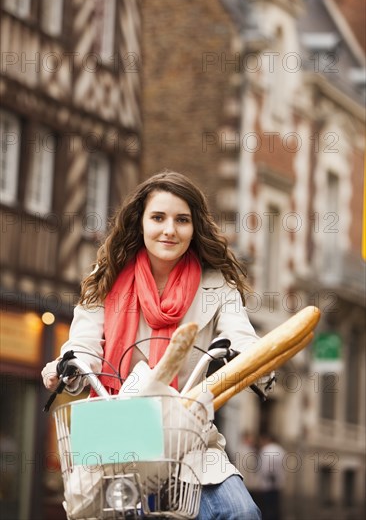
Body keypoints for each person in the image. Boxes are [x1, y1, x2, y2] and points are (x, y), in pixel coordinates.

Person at [42, 171, 262, 520]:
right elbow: (84, 344)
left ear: (195, 227)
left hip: (184, 432)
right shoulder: (108, 275)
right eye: (158, 217)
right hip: (117, 431)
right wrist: (70, 367)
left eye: (182, 220)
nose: (169, 230)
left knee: (241, 512)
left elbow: (243, 337)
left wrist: (246, 358)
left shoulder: (216, 284)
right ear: (140, 223)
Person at [256, 433, 286, 520]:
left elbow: (265, 468)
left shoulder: (265, 450)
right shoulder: (281, 450)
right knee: (275, 507)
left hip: (267, 484)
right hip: (277, 484)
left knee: (266, 508)